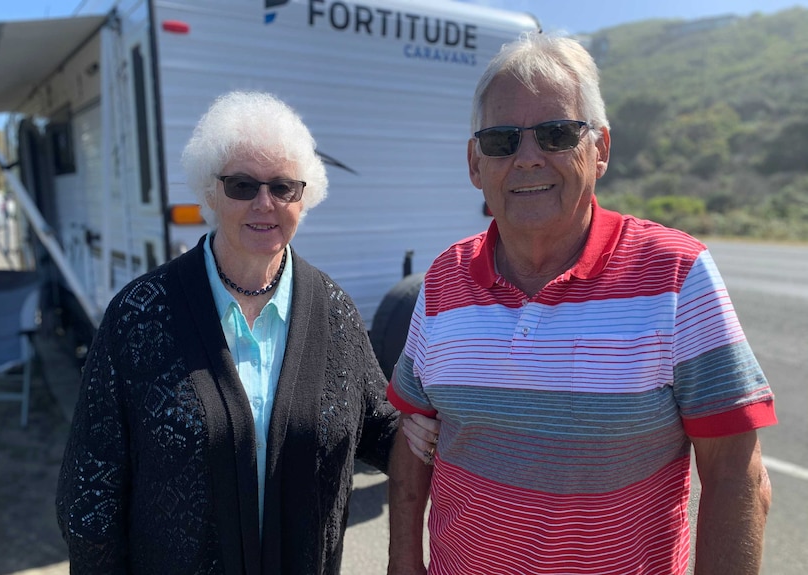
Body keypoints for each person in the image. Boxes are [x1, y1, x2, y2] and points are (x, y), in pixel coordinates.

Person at [386, 32, 777, 575]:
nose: (527, 158)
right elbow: (412, 438)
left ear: (601, 151)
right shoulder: (445, 279)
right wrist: (402, 564)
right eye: (502, 140)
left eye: (556, 133)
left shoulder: (678, 275)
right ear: (475, 164)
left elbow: (739, 478)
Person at [56, 91, 399, 574]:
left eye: (284, 187)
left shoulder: (333, 311)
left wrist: (461, 427)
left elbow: (379, 427)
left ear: (304, 198)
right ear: (210, 192)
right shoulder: (138, 316)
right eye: (242, 185)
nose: (265, 203)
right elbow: (89, 496)